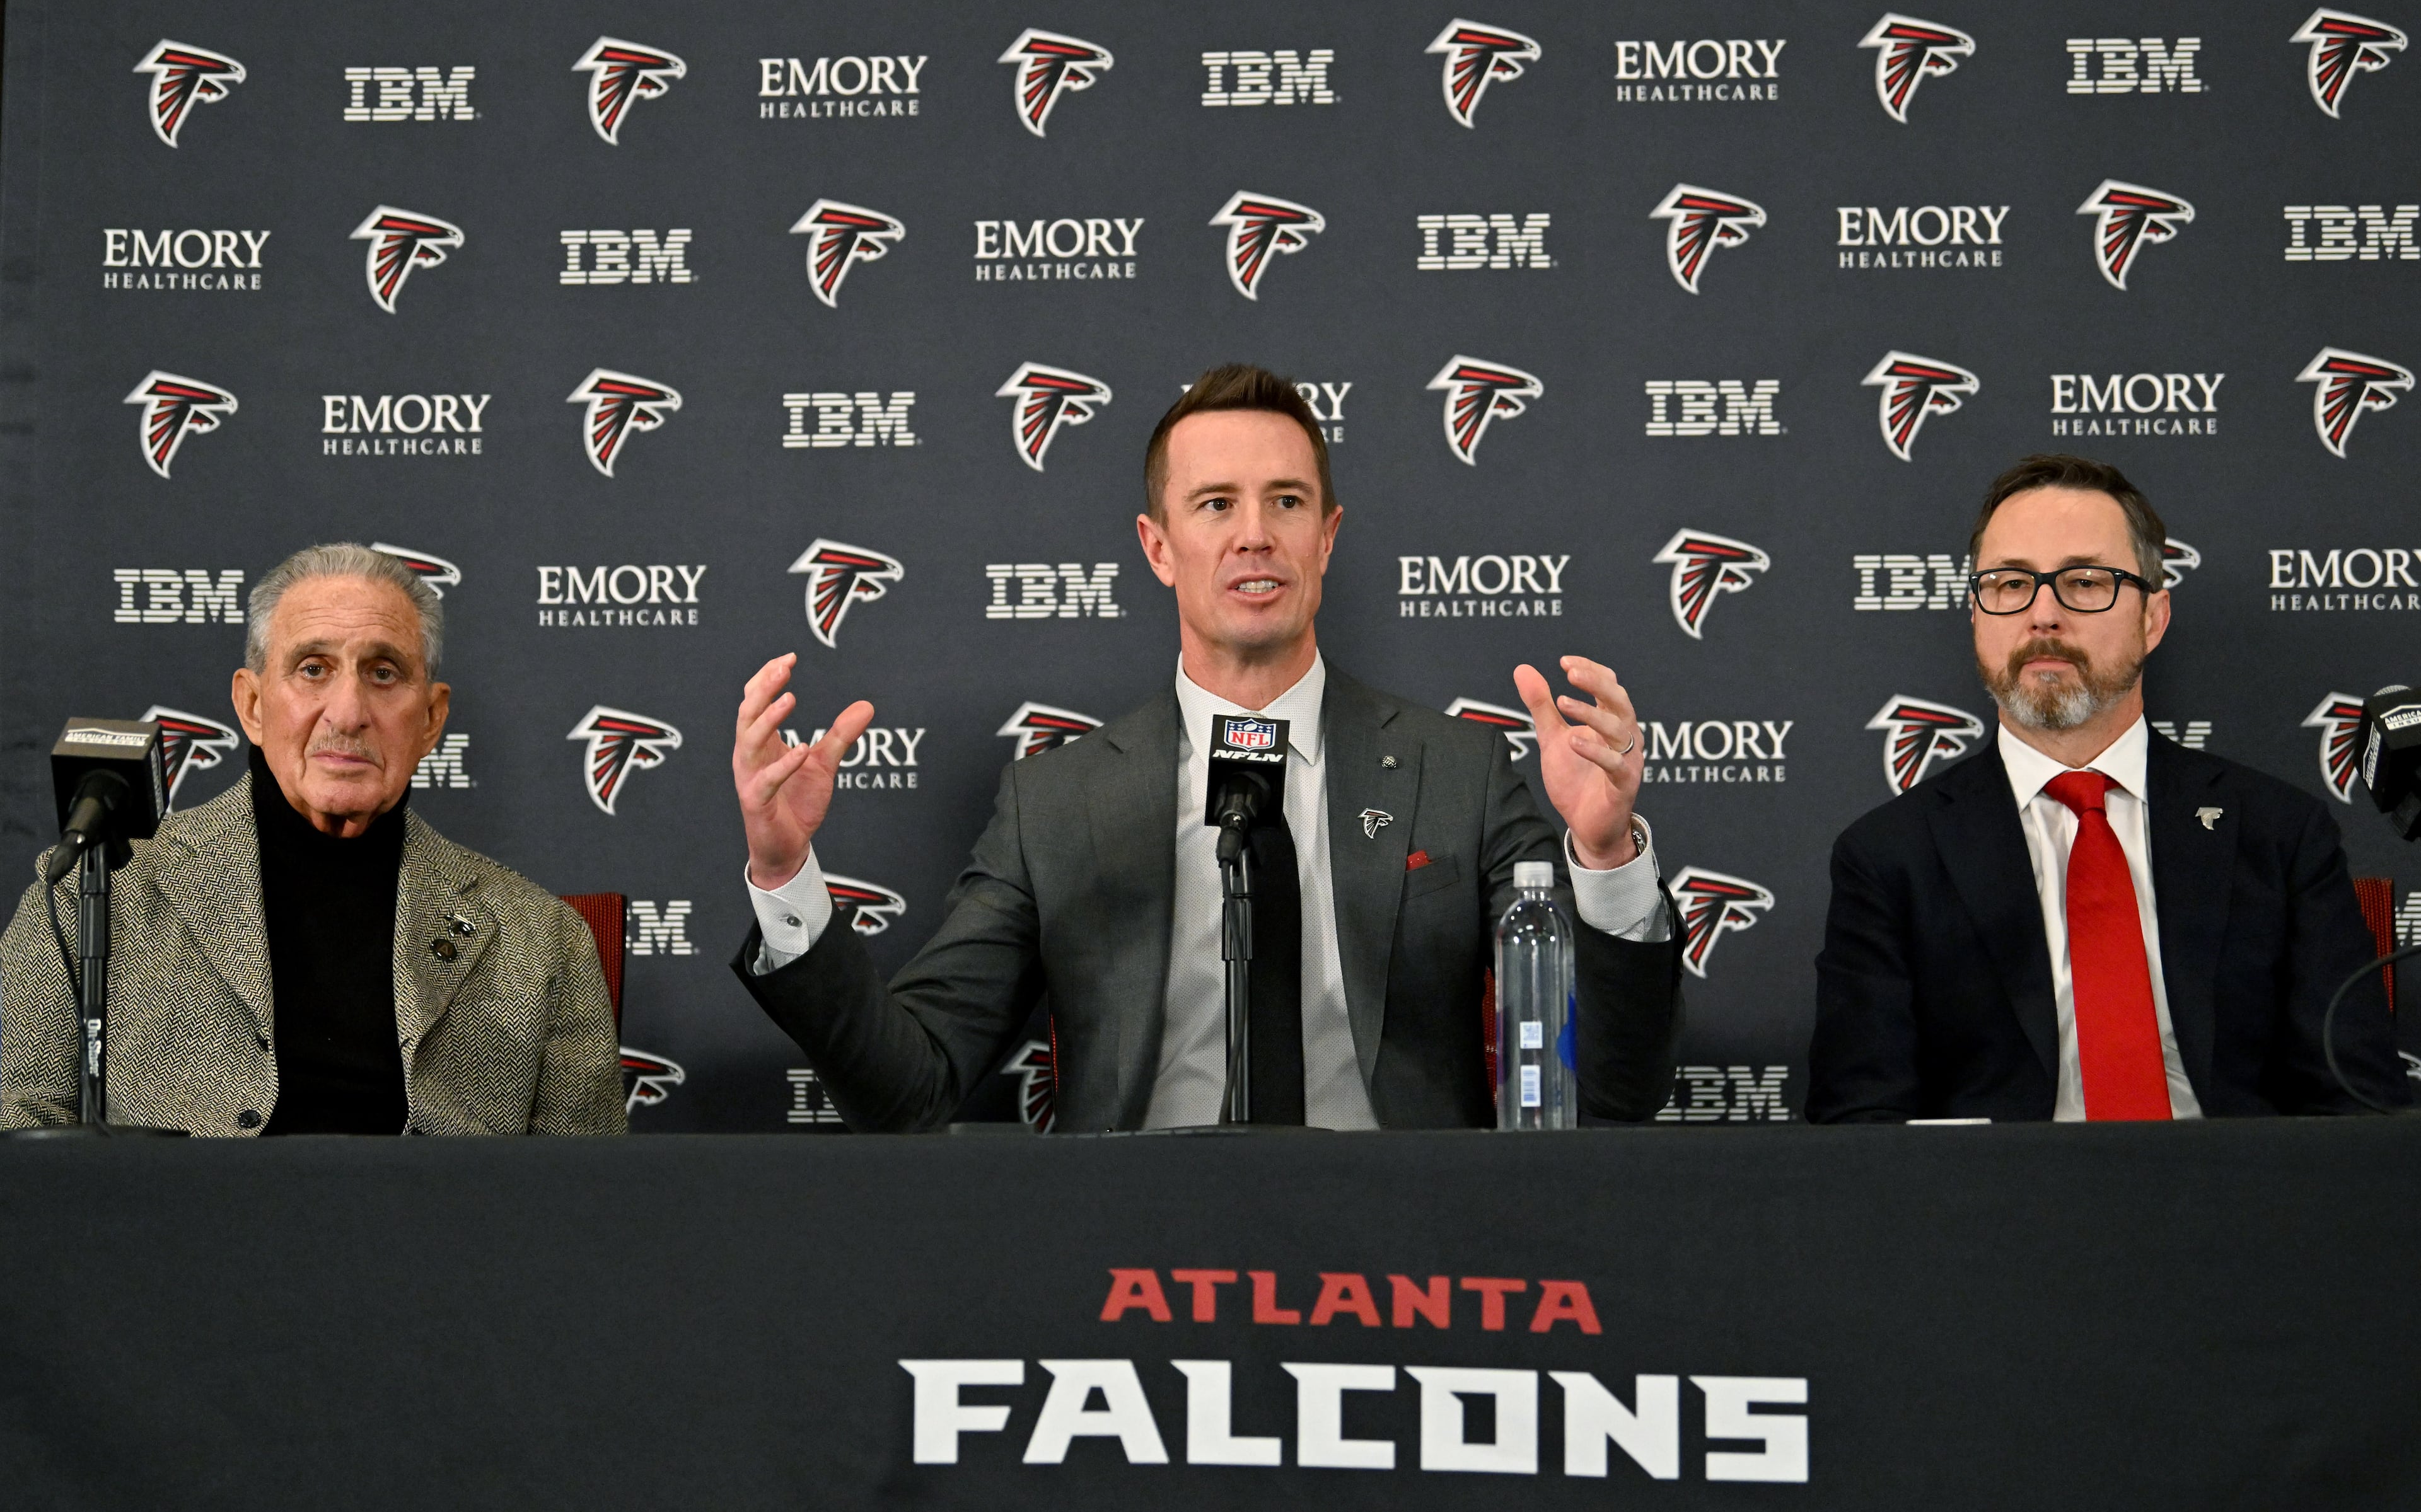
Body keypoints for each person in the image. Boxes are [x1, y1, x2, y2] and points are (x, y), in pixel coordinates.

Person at [731, 365, 1685, 1131]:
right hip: (1127, 1267)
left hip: (1406, 1257)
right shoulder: (1055, 804)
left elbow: (1609, 1097)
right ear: (1157, 546)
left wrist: (1604, 858)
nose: (1255, 537)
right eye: (1217, 505)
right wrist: (785, 877)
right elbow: (911, 1088)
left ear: (1328, 537)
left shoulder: (1461, 776)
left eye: (1287, 503)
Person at [1808, 454, 2405, 1121]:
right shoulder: (1891, 856)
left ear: (2153, 618)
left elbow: (2358, 1109)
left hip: (2238, 1208)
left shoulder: (2279, 832)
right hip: (1996, 1214)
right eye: (2008, 585)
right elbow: (1858, 1130)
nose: (2043, 615)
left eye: (2085, 582)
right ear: (1976, 618)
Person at [1, 544, 626, 1135]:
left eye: (384, 672)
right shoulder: (100, 893)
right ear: (251, 705)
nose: (348, 710)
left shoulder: (543, 941)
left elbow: (583, 1203)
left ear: (432, 718)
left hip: (438, 1245)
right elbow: (18, 1125)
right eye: (313, 669)